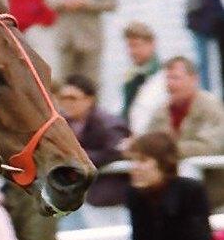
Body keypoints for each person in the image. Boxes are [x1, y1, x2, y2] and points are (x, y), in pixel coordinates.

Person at [148, 56, 224, 209]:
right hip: (171, 199)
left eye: (176, 78)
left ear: (193, 79)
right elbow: (149, 143)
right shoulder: (161, 111)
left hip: (214, 198)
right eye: (168, 78)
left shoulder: (210, 107)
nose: (170, 84)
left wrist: (168, 150)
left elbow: (212, 146)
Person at [56, 74, 131, 226]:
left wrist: (74, 158)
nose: (67, 103)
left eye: (72, 98)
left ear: (89, 100)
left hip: (106, 201)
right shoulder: (61, 123)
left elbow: (116, 152)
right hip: (73, 198)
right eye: (63, 98)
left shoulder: (109, 124)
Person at [121, 21, 167, 135]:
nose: (133, 52)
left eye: (137, 45)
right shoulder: (132, 75)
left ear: (152, 44)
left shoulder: (163, 77)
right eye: (130, 46)